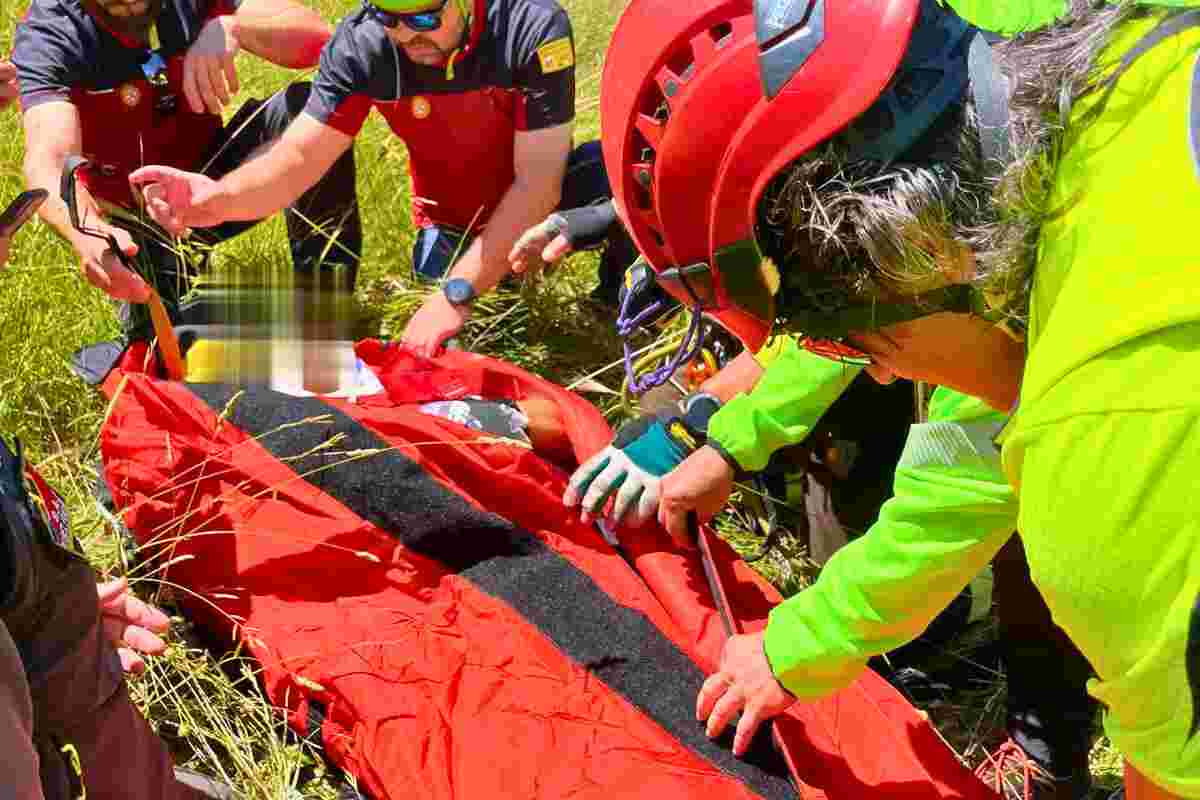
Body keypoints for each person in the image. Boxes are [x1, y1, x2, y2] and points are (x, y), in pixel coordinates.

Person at [592, 1, 1198, 798]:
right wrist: (796, 643)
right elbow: (969, 463)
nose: (878, 377)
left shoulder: (1110, 458)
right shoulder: (1143, 66)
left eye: (855, 345)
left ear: (912, 255)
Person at [128, 0, 636, 358]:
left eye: (424, 16)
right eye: (392, 19)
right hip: (454, 219)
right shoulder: (364, 44)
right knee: (455, 356)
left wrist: (456, 293)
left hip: (547, 195)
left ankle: (615, 306)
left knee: (634, 179)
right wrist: (214, 199)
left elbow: (538, 183)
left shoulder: (532, 25)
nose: (411, 36)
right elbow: (299, 158)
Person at [13, 0, 361, 341]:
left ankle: (326, 310)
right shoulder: (52, 31)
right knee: (164, 351)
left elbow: (321, 42)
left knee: (308, 110)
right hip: (134, 223)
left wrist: (232, 26)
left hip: (209, 181)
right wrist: (88, 234)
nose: (132, 7)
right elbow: (50, 160)